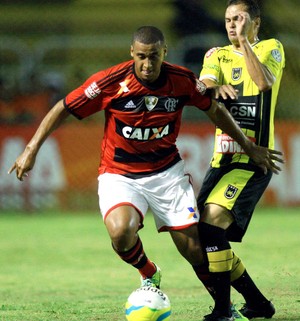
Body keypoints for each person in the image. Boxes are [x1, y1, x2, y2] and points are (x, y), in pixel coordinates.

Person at [8, 26, 282, 319]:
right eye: (141, 57)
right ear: (132, 53)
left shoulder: (181, 80)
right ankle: (149, 272)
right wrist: (31, 149)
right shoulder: (110, 81)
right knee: (120, 232)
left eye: (154, 56)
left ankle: (226, 308)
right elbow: (62, 107)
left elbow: (214, 109)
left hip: (167, 174)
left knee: (193, 248)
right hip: (120, 174)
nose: (148, 64)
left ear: (164, 53)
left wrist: (247, 145)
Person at [196, 1, 285, 320]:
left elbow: (263, 83)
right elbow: (202, 87)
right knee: (203, 233)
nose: (232, 25)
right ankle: (258, 304)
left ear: (256, 22)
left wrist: (245, 41)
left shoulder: (271, 48)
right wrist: (214, 86)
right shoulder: (215, 54)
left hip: (255, 160)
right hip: (221, 160)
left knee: (212, 225)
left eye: (240, 19)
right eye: (228, 20)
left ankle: (222, 310)